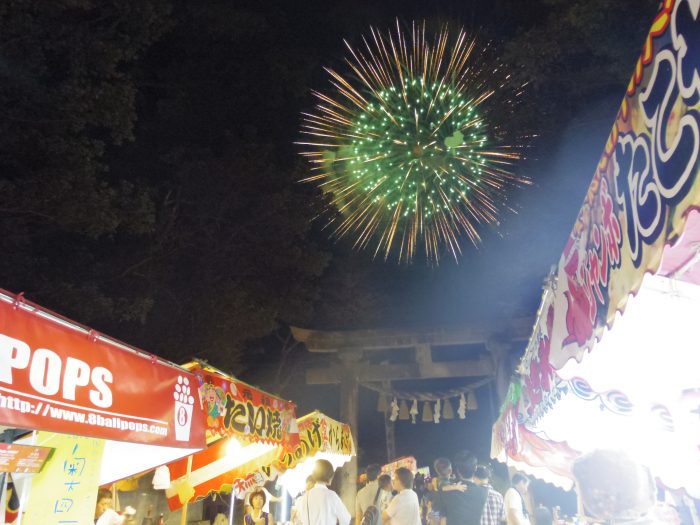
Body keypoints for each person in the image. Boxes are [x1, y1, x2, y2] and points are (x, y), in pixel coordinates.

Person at [435, 452, 488, 525]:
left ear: (457, 470)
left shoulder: (446, 492)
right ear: (475, 468)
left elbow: (442, 520)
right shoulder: (484, 492)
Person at [297, 459, 351, 525]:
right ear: (329, 476)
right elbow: (346, 519)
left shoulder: (304, 497)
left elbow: (300, 520)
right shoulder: (331, 496)